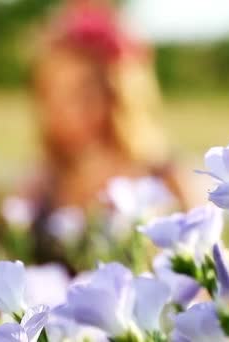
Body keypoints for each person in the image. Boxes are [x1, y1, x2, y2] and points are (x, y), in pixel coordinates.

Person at [26, 0, 191, 267]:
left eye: (81, 93)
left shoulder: (165, 176)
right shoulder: (44, 181)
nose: (63, 110)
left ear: (119, 94)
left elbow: (207, 288)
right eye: (51, 92)